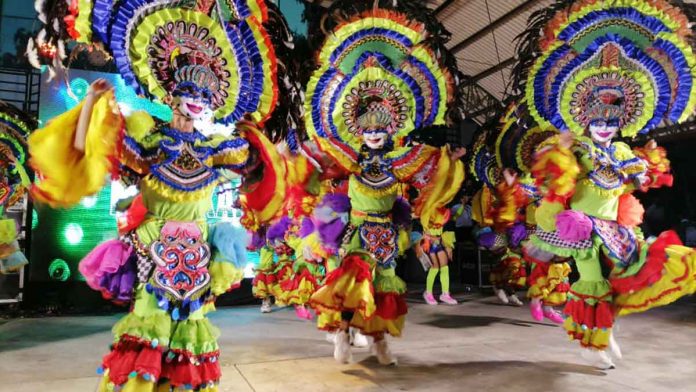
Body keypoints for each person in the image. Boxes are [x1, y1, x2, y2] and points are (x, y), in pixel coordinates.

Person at [27, 1, 297, 390]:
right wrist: (90, 103)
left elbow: (260, 165)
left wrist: (258, 133)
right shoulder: (149, 138)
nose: (197, 100)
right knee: (148, 326)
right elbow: (89, 145)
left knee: (190, 331)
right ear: (171, 95)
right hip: (152, 251)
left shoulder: (217, 147)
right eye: (189, 90)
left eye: (206, 94)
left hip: (199, 255)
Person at [518, 0, 696, 369]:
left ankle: (596, 331)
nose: (603, 125)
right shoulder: (576, 147)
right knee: (592, 283)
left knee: (633, 275)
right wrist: (562, 154)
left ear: (623, 120)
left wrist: (645, 164)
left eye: (611, 120)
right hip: (580, 229)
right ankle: (595, 341)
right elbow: (554, 181)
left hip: (615, 228)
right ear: (583, 116)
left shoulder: (620, 150)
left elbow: (639, 180)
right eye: (596, 118)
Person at [305, 2, 465, 365]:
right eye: (369, 129)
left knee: (386, 289)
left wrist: (449, 164)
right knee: (353, 283)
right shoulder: (347, 155)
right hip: (357, 230)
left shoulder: (402, 159)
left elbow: (431, 178)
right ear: (358, 130)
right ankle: (343, 333)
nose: (375, 134)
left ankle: (380, 344)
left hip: (388, 234)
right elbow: (315, 161)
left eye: (381, 129)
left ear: (391, 128)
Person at [0, 100, 34, 274]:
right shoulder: (7, 191)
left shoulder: (7, 189)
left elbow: (26, 184)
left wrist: (14, 161)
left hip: (3, 231)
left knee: (10, 263)